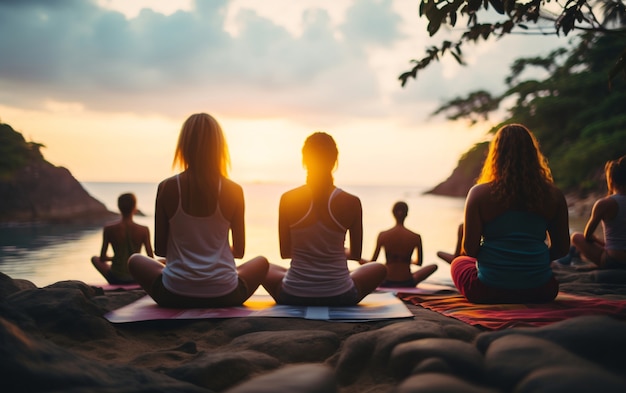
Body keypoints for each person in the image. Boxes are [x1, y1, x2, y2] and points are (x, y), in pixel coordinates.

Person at [128, 113, 269, 308]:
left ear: (184, 146)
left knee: (135, 260)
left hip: (173, 294)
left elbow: (160, 249)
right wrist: (212, 251)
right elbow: (239, 252)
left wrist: (190, 255)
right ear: (219, 148)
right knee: (261, 262)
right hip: (226, 294)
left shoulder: (167, 187)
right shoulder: (234, 190)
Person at [262, 132, 387, 306]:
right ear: (335, 161)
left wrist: (312, 255)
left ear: (304, 160)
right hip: (342, 295)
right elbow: (356, 255)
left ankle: (300, 279)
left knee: (263, 266)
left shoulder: (288, 199)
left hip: (292, 294)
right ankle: (331, 281)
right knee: (379, 268)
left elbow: (286, 252)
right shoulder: (352, 202)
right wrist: (331, 251)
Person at [450, 124, 570, 304]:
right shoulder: (554, 195)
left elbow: (470, 249)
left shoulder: (479, 193)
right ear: (532, 154)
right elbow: (561, 248)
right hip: (541, 290)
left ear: (496, 155)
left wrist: (499, 261)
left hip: (487, 291)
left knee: (458, 263)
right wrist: (529, 261)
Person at [562, 156, 626, 269]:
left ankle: (572, 256)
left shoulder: (605, 203)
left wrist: (597, 240)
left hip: (613, 260)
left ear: (612, 180)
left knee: (576, 237)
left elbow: (587, 236)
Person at [368, 201, 438, 287]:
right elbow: (419, 262)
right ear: (407, 214)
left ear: (393, 213)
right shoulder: (416, 236)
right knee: (434, 266)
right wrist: (407, 260)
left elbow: (372, 262)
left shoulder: (383, 235)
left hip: (386, 281)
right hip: (407, 281)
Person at [91, 193, 154, 284]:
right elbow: (150, 258)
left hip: (116, 278)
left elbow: (102, 258)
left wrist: (116, 258)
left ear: (119, 208)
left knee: (94, 259)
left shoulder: (109, 229)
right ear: (135, 208)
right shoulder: (144, 230)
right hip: (137, 277)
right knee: (162, 261)